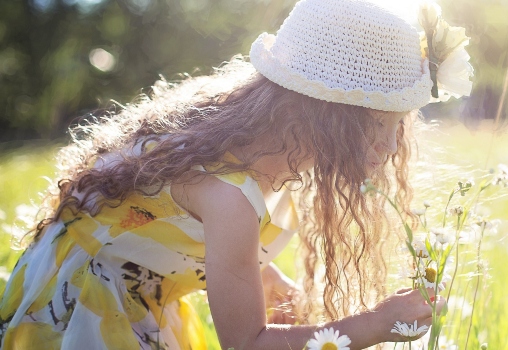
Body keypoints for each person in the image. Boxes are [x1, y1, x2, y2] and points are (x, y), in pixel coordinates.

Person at [0, 0, 472, 348]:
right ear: (321, 114)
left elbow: (186, 234)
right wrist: (372, 323)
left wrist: (267, 279)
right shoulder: (229, 193)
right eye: (377, 124)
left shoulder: (260, 143)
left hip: (137, 288)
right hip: (82, 305)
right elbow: (247, 344)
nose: (391, 147)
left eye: (400, 125)